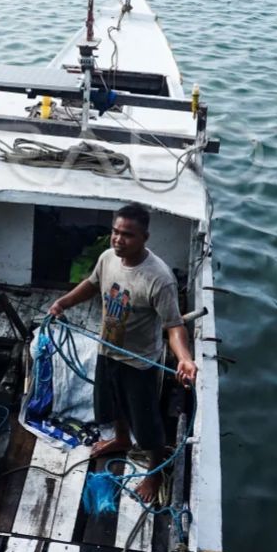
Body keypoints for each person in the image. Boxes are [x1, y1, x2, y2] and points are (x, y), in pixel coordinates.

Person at [48, 203, 198, 503]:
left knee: (147, 425)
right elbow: (91, 285)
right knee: (112, 403)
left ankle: (154, 473)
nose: (118, 239)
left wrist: (184, 358)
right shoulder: (107, 258)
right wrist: (63, 303)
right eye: (115, 232)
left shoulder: (159, 278)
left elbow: (174, 327)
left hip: (140, 364)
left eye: (127, 235)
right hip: (108, 350)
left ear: (145, 237)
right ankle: (119, 439)